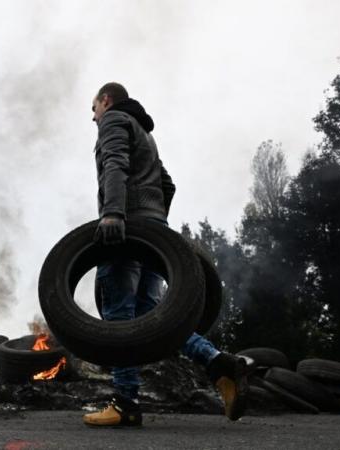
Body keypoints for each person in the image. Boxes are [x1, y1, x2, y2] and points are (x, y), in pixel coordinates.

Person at [82, 83, 250, 427]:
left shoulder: (114, 120)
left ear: (106, 99)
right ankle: (219, 363)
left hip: (125, 230)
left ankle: (125, 402)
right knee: (151, 315)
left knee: (119, 316)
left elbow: (114, 164)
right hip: (154, 234)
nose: (92, 115)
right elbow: (167, 183)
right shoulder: (145, 134)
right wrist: (155, 220)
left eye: (94, 106)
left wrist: (114, 213)